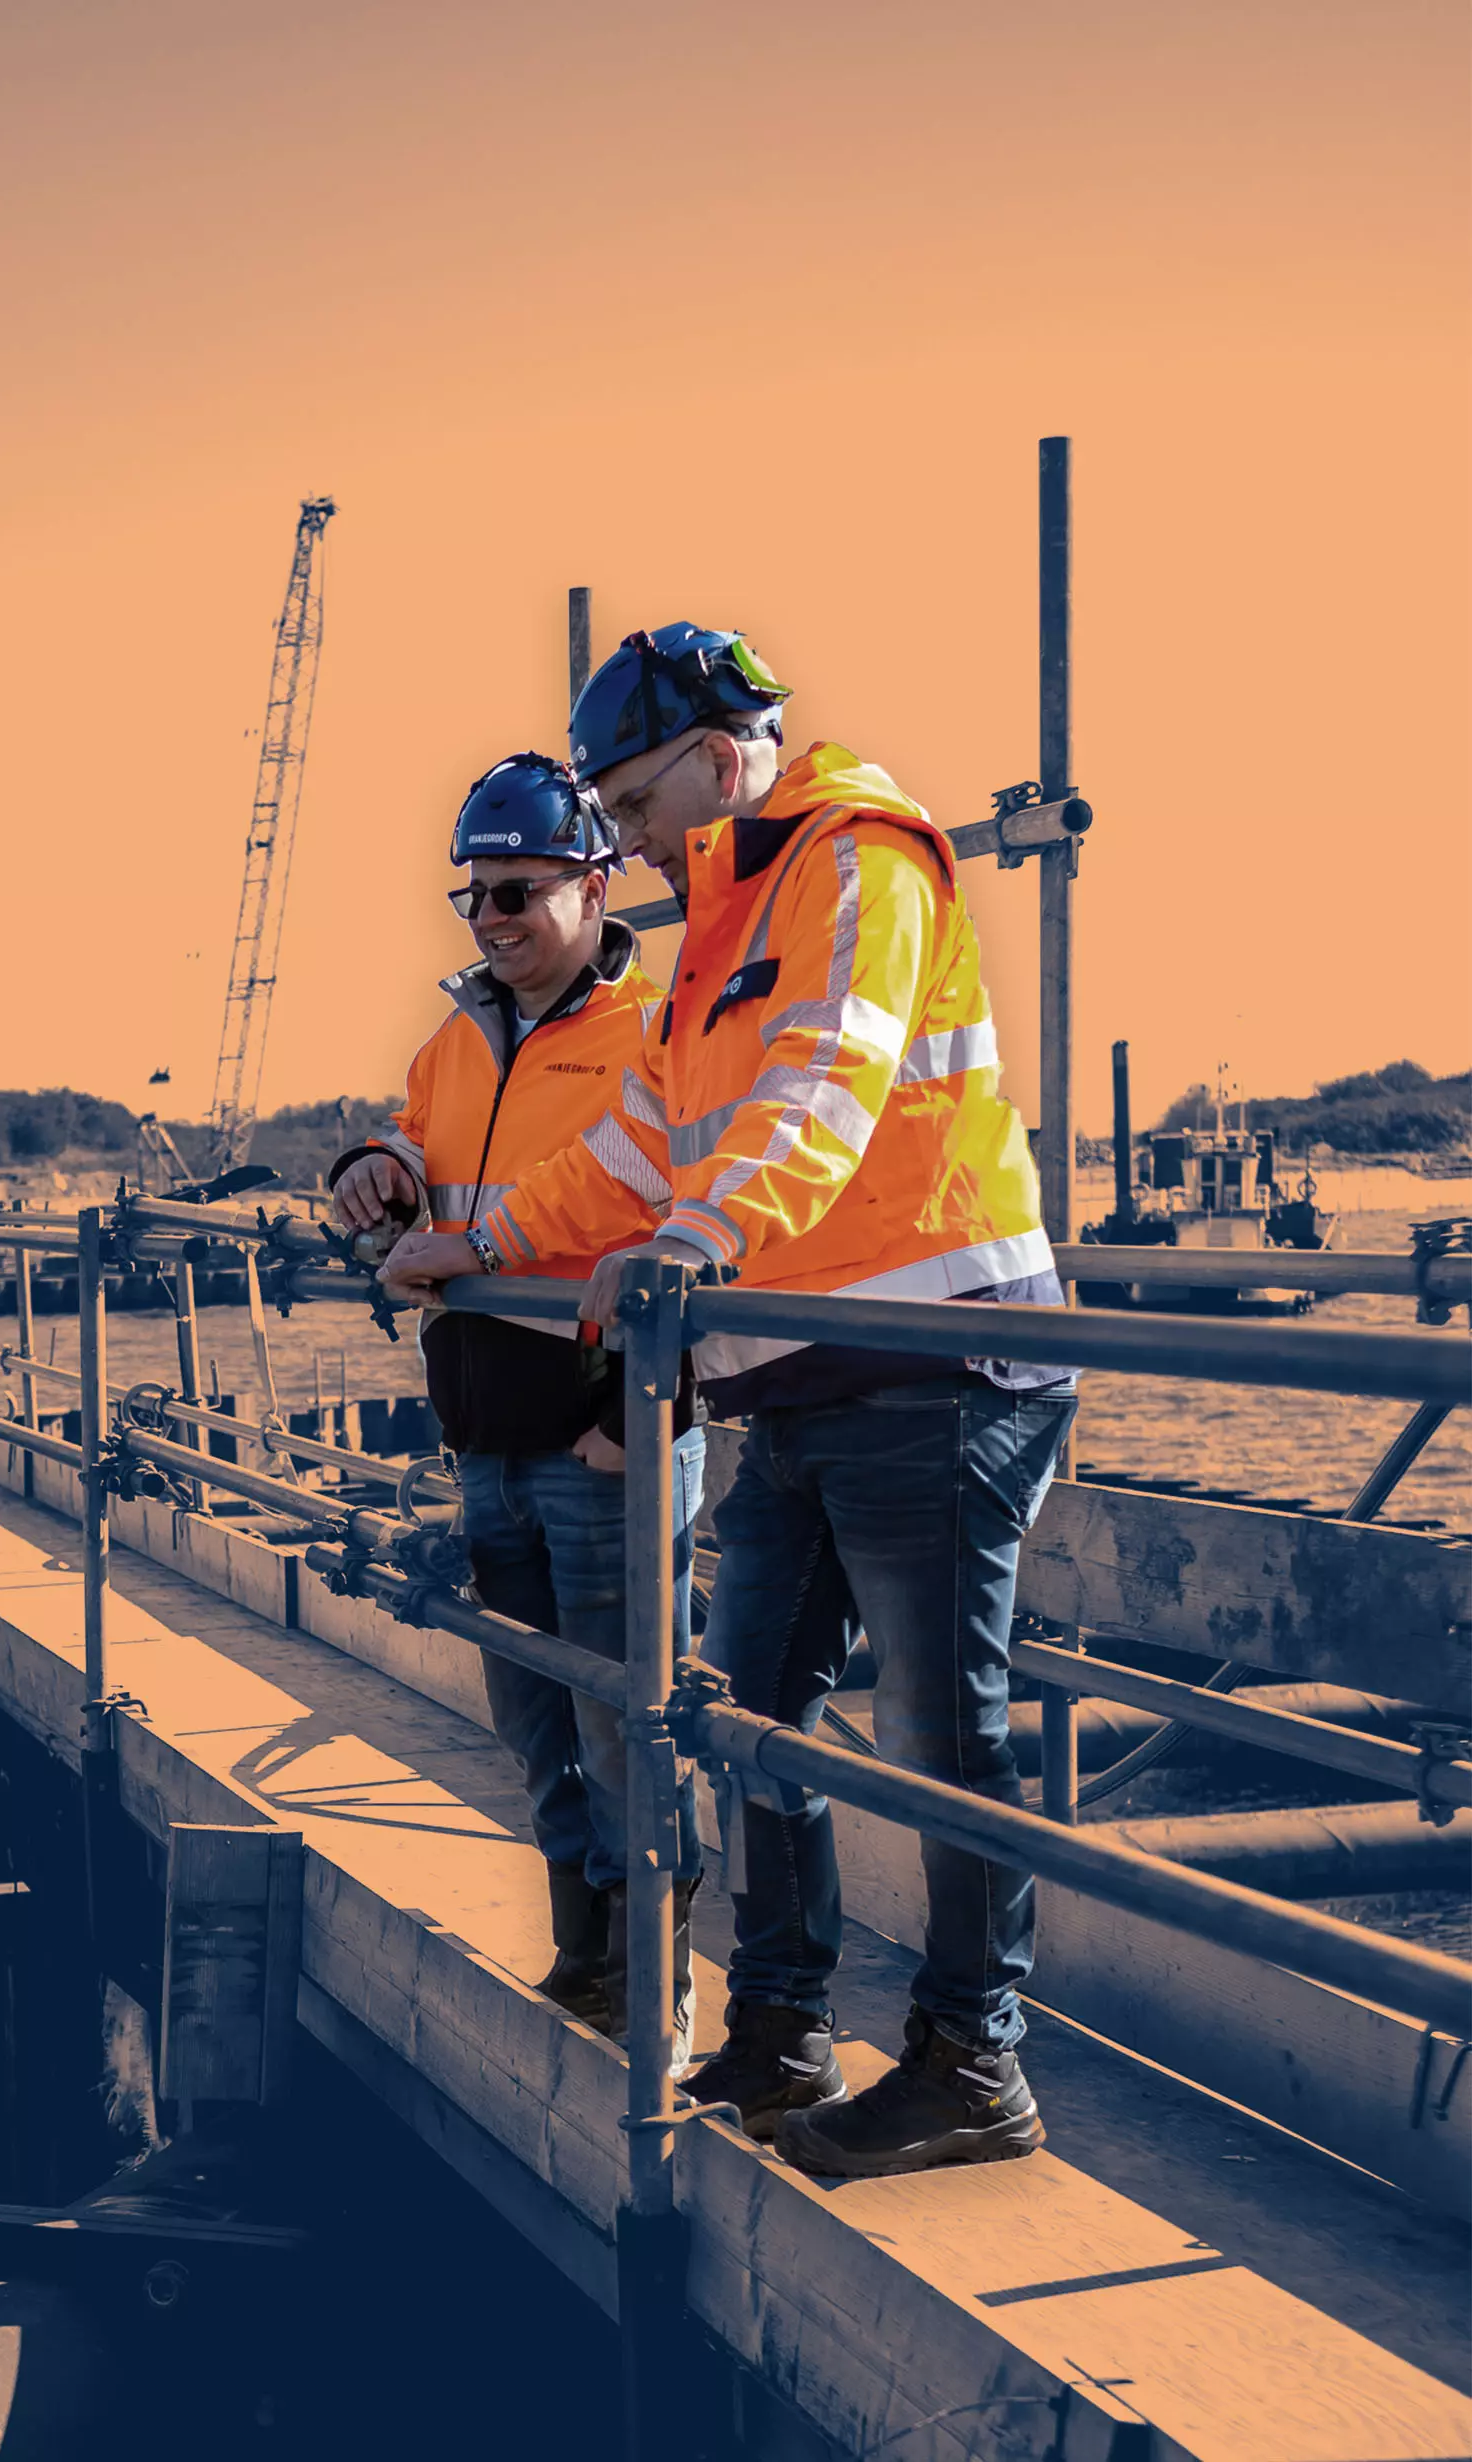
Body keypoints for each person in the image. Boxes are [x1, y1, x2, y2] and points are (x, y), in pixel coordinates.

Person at [382, 625, 1075, 2176]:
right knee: (746, 1712)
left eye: (629, 804)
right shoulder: (716, 924)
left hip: (937, 1359)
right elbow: (641, 1139)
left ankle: (974, 2061)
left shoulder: (855, 863)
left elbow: (825, 1083)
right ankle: (779, 2029)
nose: (619, 841)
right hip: (809, 1377)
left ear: (718, 750)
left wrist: (684, 1251)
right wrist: (484, 1240)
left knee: (938, 1732)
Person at [330, 752, 707, 2053]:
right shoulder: (457, 1040)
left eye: (519, 892)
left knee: (625, 1721)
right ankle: (583, 1955)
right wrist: (374, 1168)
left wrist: (647, 1418)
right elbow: (414, 1138)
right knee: (535, 1719)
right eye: (474, 896)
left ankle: (652, 1977)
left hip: (600, 1438)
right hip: (487, 1435)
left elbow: (708, 1231)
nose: (492, 918)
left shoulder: (656, 1036)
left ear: (597, 886)